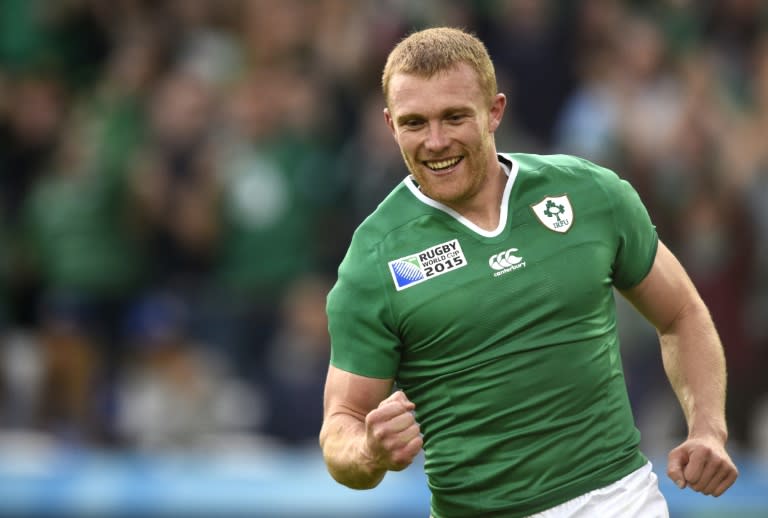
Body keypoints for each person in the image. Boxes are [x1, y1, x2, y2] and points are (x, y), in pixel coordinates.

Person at [319, 27, 738, 518]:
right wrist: (368, 450)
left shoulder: (590, 194)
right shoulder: (373, 260)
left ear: (495, 111)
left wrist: (708, 428)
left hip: (619, 501)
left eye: (454, 117)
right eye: (415, 123)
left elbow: (682, 313)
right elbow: (340, 424)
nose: (435, 141)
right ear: (391, 126)